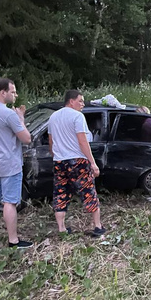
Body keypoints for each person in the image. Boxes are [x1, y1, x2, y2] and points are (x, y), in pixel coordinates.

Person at [0, 78, 32, 249]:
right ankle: (13, 240)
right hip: (9, 164)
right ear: (3, 92)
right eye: (13, 92)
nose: (15, 95)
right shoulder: (9, 114)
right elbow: (26, 139)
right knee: (9, 202)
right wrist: (21, 119)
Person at [48, 90, 105, 237]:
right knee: (88, 191)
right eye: (80, 101)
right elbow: (82, 141)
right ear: (71, 101)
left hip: (59, 161)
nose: (82, 104)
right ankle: (97, 226)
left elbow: (51, 142)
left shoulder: (53, 117)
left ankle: (61, 229)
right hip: (77, 161)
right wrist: (92, 163)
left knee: (60, 192)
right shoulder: (77, 117)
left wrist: (56, 156)